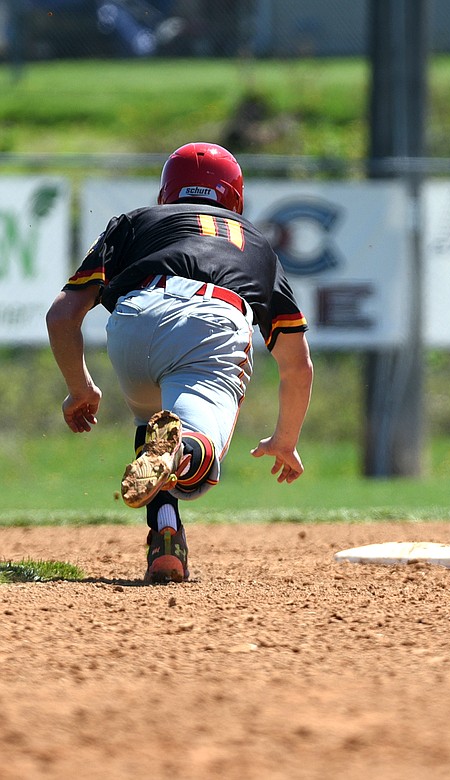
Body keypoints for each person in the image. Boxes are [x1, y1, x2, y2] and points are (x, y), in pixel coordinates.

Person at [46, 142, 314, 582]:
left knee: (155, 424)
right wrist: (284, 440)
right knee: (196, 468)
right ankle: (182, 452)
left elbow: (62, 315)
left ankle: (166, 539)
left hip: (132, 321)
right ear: (235, 198)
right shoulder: (256, 243)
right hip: (210, 321)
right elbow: (297, 365)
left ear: (167, 193)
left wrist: (81, 388)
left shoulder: (136, 221)